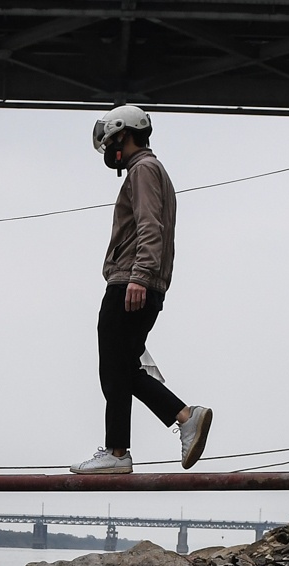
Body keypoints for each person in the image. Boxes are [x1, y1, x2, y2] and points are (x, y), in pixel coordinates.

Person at [71, 105, 212, 475]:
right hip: (140, 279)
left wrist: (139, 275)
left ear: (124, 133)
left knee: (115, 367)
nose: (109, 150)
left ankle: (122, 451)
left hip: (130, 281)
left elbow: (151, 226)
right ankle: (176, 420)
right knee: (120, 368)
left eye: (110, 141)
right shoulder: (150, 170)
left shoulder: (143, 170)